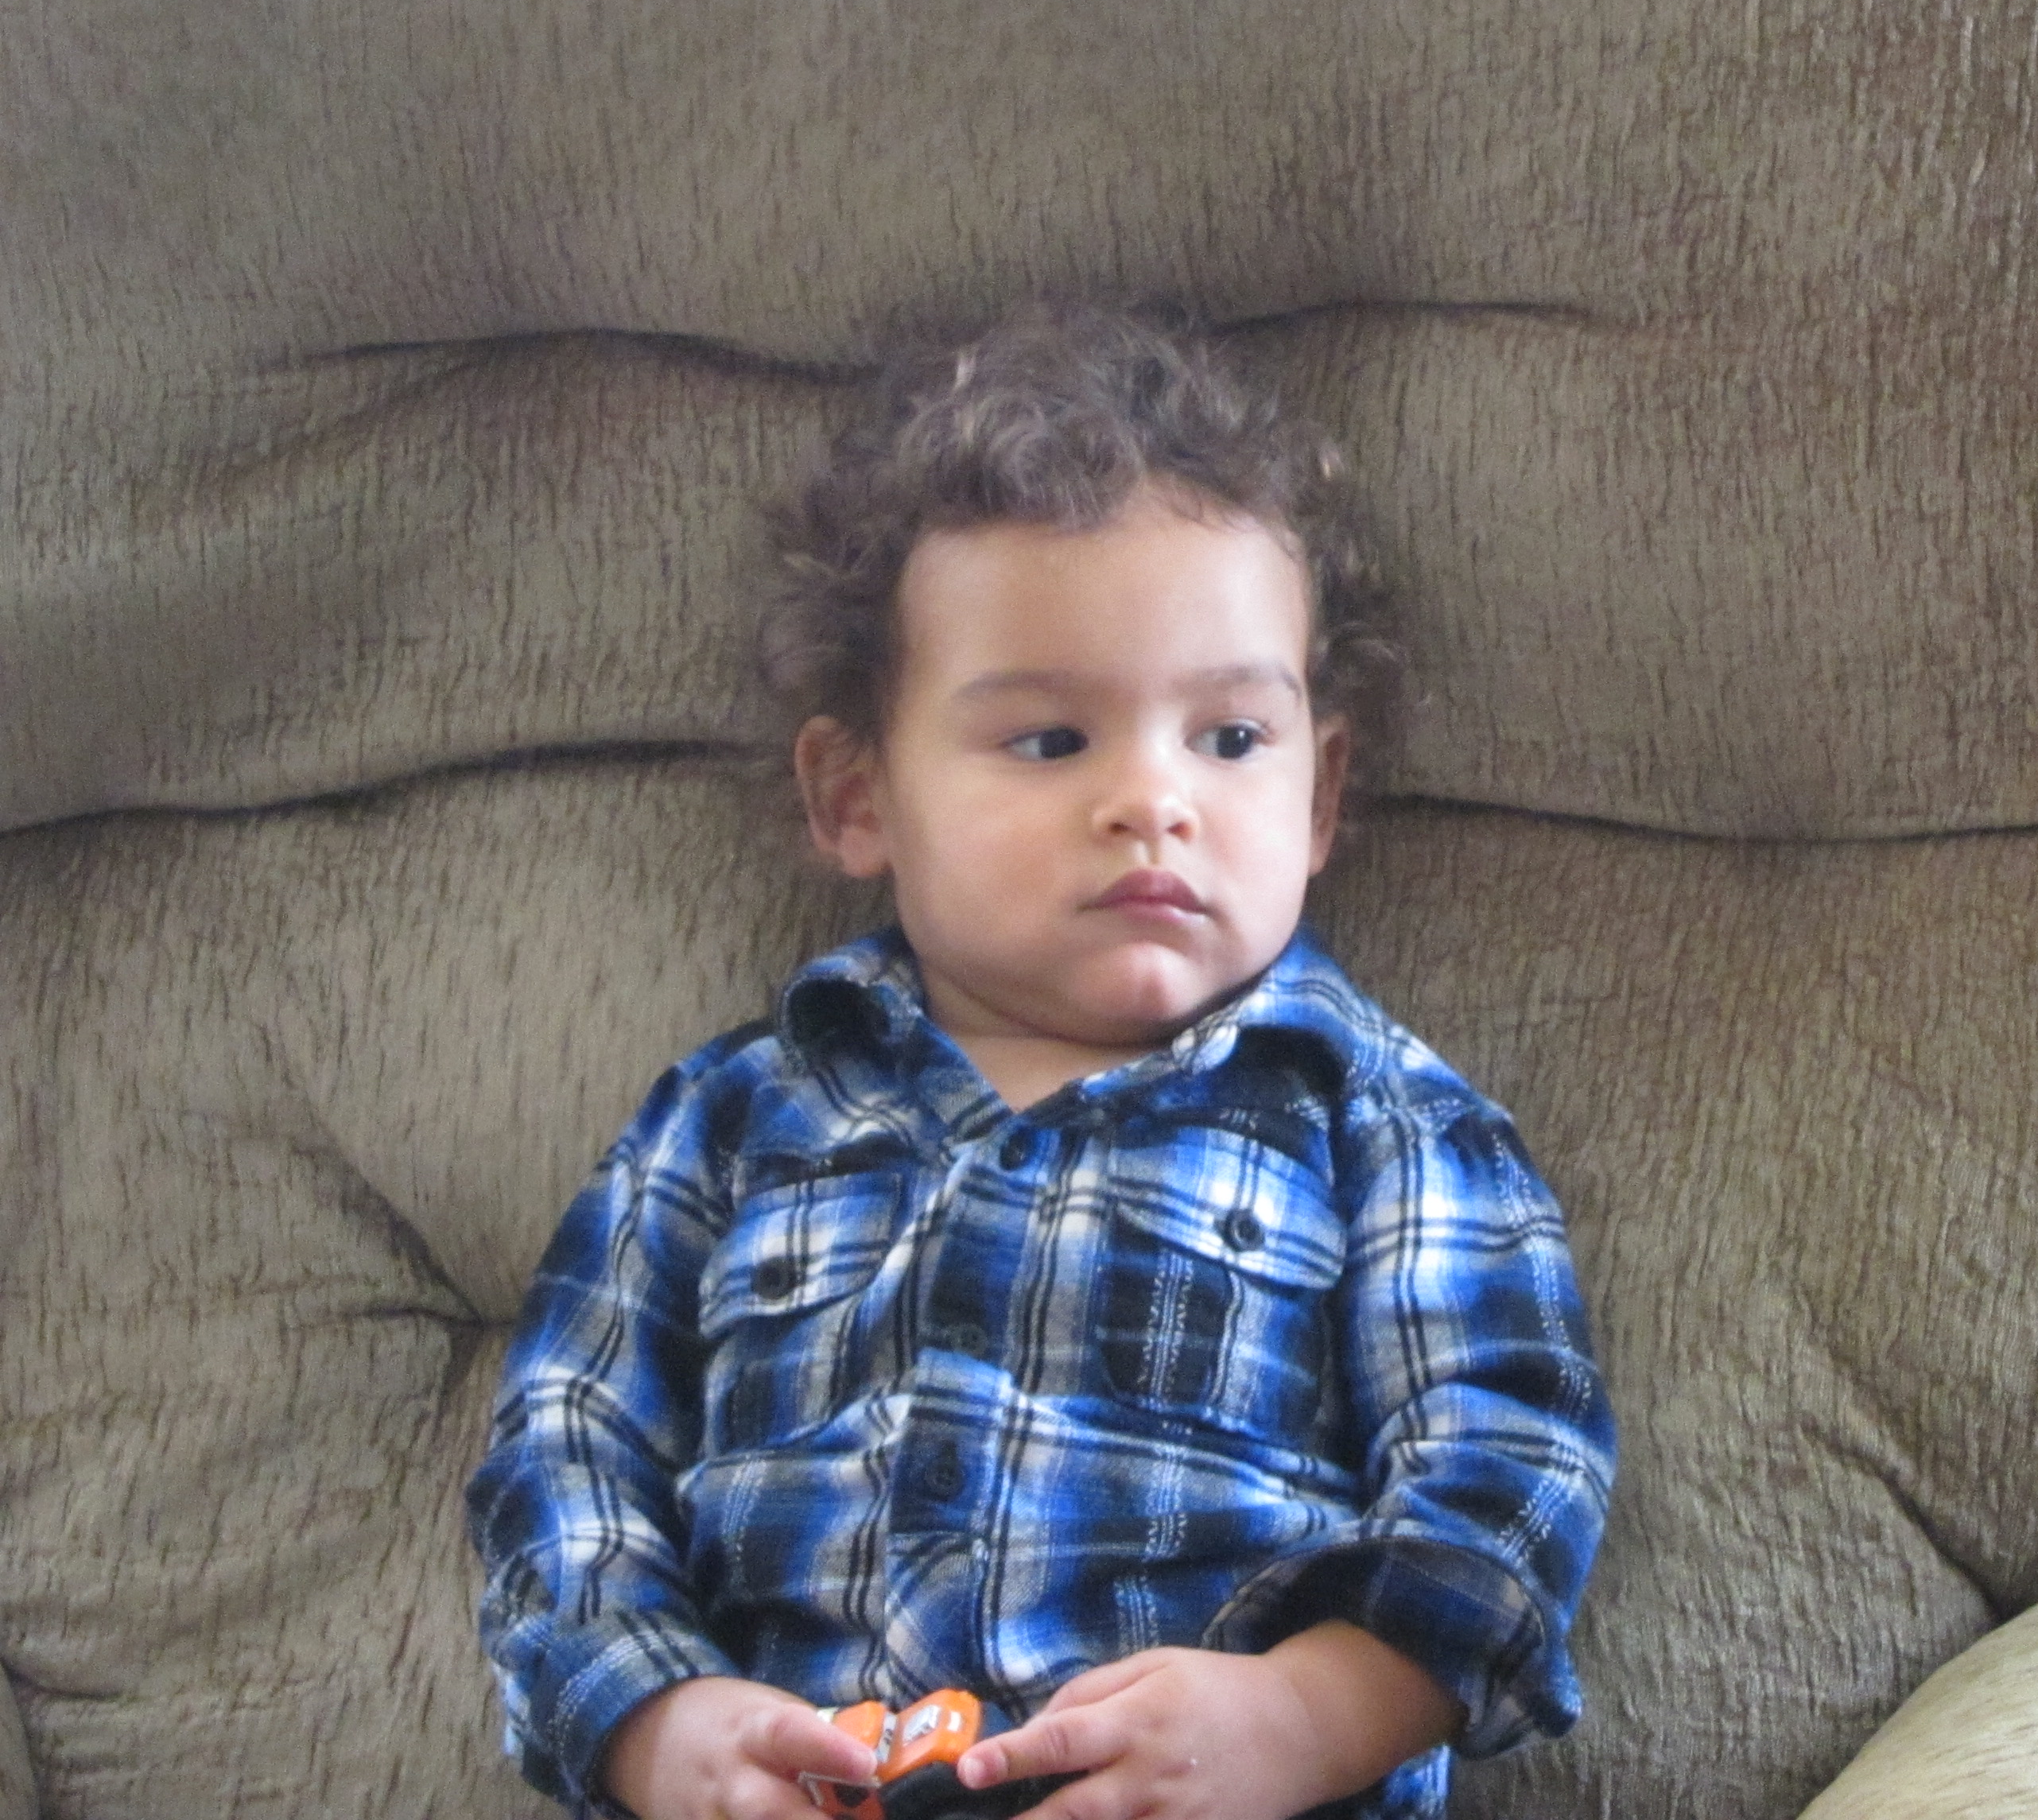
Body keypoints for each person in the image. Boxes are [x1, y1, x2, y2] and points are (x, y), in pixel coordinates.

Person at [465, 302, 1617, 1820]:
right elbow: (567, 1437)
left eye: (1231, 740)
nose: (1154, 801)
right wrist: (652, 1721)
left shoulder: (1375, 1116)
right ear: (857, 797)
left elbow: (1516, 1455)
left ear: (1322, 796)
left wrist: (1309, 1714)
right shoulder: (736, 1114)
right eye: (1052, 741)